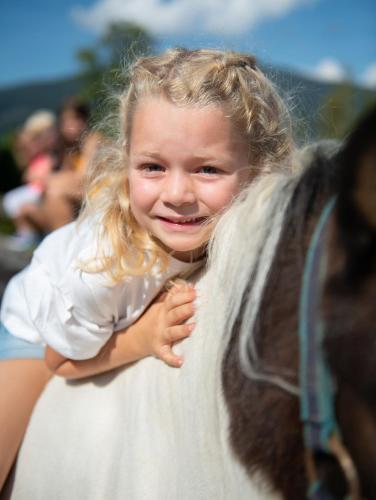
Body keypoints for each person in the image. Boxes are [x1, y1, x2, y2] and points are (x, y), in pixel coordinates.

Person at [0, 48, 294, 490]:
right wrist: (140, 336)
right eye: (153, 167)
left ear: (258, 172)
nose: (177, 193)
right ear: (127, 161)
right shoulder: (102, 266)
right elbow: (58, 360)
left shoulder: (234, 225)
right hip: (39, 329)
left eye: (208, 169)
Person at [16, 98, 101, 235]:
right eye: (65, 121)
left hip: (99, 194)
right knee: (34, 204)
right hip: (83, 197)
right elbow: (66, 174)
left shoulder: (93, 140)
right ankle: (58, 238)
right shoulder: (70, 150)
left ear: (85, 120)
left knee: (54, 190)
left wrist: (48, 179)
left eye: (75, 119)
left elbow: (84, 177)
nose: (70, 125)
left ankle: (63, 242)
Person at [2, 110, 58, 249]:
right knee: (15, 204)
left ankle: (27, 235)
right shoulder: (39, 155)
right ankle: (27, 234)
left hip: (40, 188)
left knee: (12, 201)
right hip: (38, 188)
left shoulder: (51, 155)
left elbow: (39, 176)